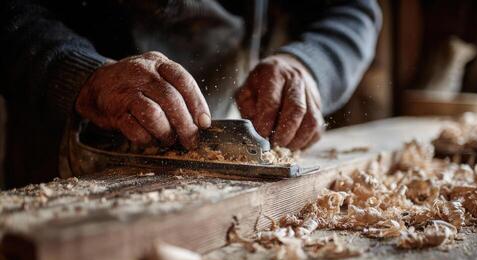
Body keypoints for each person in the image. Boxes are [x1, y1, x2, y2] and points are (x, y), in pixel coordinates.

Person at [0, 0, 381, 187]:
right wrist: (76, 72)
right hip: (62, 134)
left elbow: (352, 9)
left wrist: (309, 65)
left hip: (225, 153)